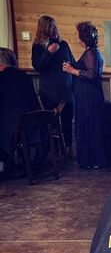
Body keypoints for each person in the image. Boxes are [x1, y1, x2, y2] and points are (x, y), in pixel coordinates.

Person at [62, 21, 106, 169]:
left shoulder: (91, 52)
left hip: (89, 97)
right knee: (88, 126)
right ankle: (90, 160)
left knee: (89, 126)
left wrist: (72, 70)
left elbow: (91, 74)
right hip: (88, 96)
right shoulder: (92, 51)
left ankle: (92, 160)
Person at [31, 15, 75, 156]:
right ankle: (54, 151)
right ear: (44, 30)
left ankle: (68, 148)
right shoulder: (38, 47)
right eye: (51, 28)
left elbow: (72, 62)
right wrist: (48, 52)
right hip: (49, 92)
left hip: (67, 92)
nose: (54, 30)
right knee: (52, 124)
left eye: (55, 27)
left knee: (68, 121)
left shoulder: (64, 45)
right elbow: (38, 66)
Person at [0, 48, 40, 174]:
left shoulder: (2, 78)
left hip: (11, 129)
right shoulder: (24, 76)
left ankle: (4, 165)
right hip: (31, 125)